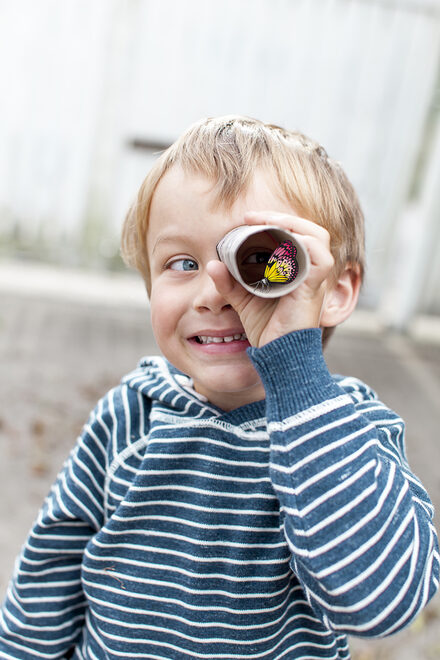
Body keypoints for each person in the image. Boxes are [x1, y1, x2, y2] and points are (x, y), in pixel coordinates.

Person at [0, 115, 438, 660]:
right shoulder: (131, 415)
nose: (214, 292)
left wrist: (294, 364)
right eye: (181, 263)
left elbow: (382, 605)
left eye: (258, 260)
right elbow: (49, 573)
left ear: (335, 289)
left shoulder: (353, 436)